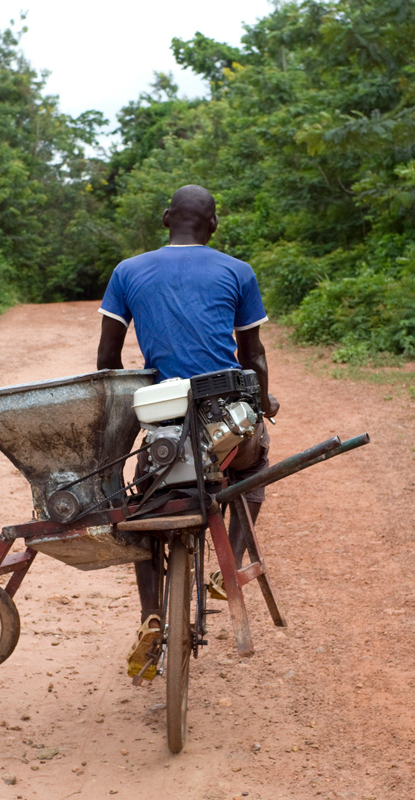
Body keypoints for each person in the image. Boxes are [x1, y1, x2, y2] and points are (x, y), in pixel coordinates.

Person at [95, 184, 279, 680]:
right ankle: (230, 567)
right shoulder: (237, 271)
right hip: (225, 417)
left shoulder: (127, 272)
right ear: (214, 224)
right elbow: (253, 356)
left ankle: (150, 614)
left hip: (165, 419)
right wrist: (263, 404)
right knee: (255, 464)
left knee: (141, 505)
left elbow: (108, 359)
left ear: (164, 218)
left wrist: (121, 414)